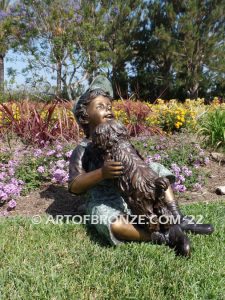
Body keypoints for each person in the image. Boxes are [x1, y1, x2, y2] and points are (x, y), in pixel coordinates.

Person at [68, 75, 214, 257]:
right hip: (105, 200)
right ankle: (161, 236)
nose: (108, 111)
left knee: (156, 168)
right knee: (111, 223)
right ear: (84, 116)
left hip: (134, 197)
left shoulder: (121, 141)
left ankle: (178, 217)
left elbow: (142, 168)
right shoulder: (83, 149)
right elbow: (74, 186)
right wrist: (102, 173)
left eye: (109, 107)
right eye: (100, 107)